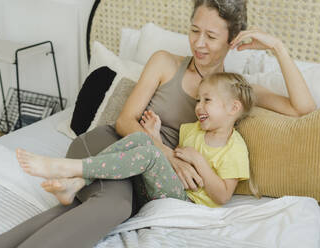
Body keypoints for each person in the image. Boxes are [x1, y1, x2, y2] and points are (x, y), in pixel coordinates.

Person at [0, 0, 316, 247]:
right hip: (108, 147)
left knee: (86, 208)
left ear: (232, 40)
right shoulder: (164, 62)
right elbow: (125, 120)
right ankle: (71, 171)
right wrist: (166, 153)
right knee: (115, 206)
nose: (199, 43)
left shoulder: (235, 92)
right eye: (194, 30)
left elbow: (302, 109)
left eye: (211, 36)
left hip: (141, 176)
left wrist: (277, 48)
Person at [16, 72, 256, 209]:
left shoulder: (234, 148)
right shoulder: (192, 130)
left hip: (187, 205)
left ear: (233, 108)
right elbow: (170, 162)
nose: (198, 106)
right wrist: (153, 136)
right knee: (140, 138)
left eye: (207, 100)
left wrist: (199, 161)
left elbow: (223, 196)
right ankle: (78, 180)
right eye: (198, 100)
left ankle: (71, 169)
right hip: (159, 192)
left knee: (149, 152)